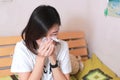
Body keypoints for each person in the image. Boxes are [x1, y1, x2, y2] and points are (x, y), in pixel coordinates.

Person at [11, 5, 71, 80]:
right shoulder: (22, 48)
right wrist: (40, 58)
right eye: (43, 36)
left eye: (54, 34)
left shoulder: (63, 46)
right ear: (34, 32)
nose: (49, 40)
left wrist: (52, 58)